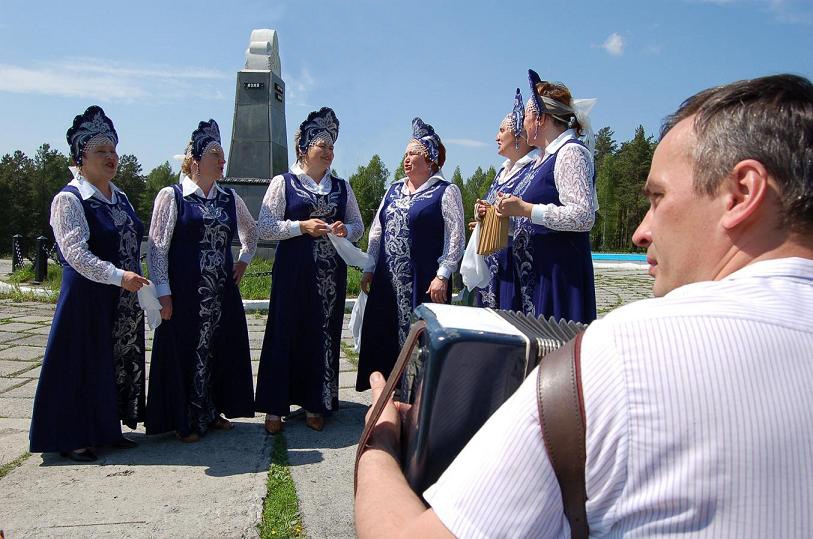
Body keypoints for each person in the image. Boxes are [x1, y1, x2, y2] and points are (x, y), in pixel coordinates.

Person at [355, 74, 813, 537]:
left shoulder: (620, 358)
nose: (640, 232)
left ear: (742, 193)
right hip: (528, 275)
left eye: (657, 198)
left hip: (553, 278)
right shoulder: (534, 163)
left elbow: (583, 214)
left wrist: (382, 440)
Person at [30, 105, 150, 462]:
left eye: (113, 150)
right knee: (80, 363)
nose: (111, 157)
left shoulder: (120, 196)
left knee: (111, 361)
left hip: (122, 297)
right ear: (81, 156)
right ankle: (70, 435)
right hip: (86, 296)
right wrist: (118, 276)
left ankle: (105, 428)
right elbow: (75, 253)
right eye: (102, 151)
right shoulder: (69, 199)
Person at [146, 119, 257, 443]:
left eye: (223, 155)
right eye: (215, 154)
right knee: (187, 351)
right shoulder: (173, 196)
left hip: (221, 293)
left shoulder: (229, 198)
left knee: (217, 351)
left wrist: (244, 261)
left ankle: (212, 411)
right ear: (194, 161)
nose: (222, 160)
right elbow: (156, 249)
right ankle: (187, 419)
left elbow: (250, 232)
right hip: (184, 293)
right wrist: (163, 293)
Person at [254, 107, 364, 433]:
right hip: (293, 271)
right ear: (304, 148)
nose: (329, 152)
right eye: (322, 146)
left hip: (330, 276)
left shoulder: (341, 187)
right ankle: (275, 408)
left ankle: (316, 402)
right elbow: (265, 227)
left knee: (322, 333)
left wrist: (346, 230)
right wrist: (301, 226)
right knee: (285, 331)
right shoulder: (283, 183)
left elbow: (358, 224)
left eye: (331, 147)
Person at [355, 118, 465, 391]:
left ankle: (418, 398)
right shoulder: (393, 189)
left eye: (413, 153)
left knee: (421, 337)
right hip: (387, 279)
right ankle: (388, 394)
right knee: (384, 333)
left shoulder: (445, 191)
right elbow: (377, 231)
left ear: (429, 158)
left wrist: (443, 274)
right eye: (405, 154)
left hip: (424, 279)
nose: (406, 158)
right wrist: (370, 266)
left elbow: (456, 236)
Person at [496, 70, 598, 323]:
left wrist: (527, 209)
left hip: (558, 278)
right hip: (537, 275)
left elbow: (583, 216)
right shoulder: (543, 159)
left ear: (540, 118)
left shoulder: (570, 152)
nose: (523, 125)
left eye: (527, 117)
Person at [470, 89, 537, 309]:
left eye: (501, 131)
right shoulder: (502, 171)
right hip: (493, 264)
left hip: (516, 264)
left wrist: (505, 219)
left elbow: (531, 212)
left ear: (518, 136)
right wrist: (482, 216)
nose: (496, 137)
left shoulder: (533, 170)